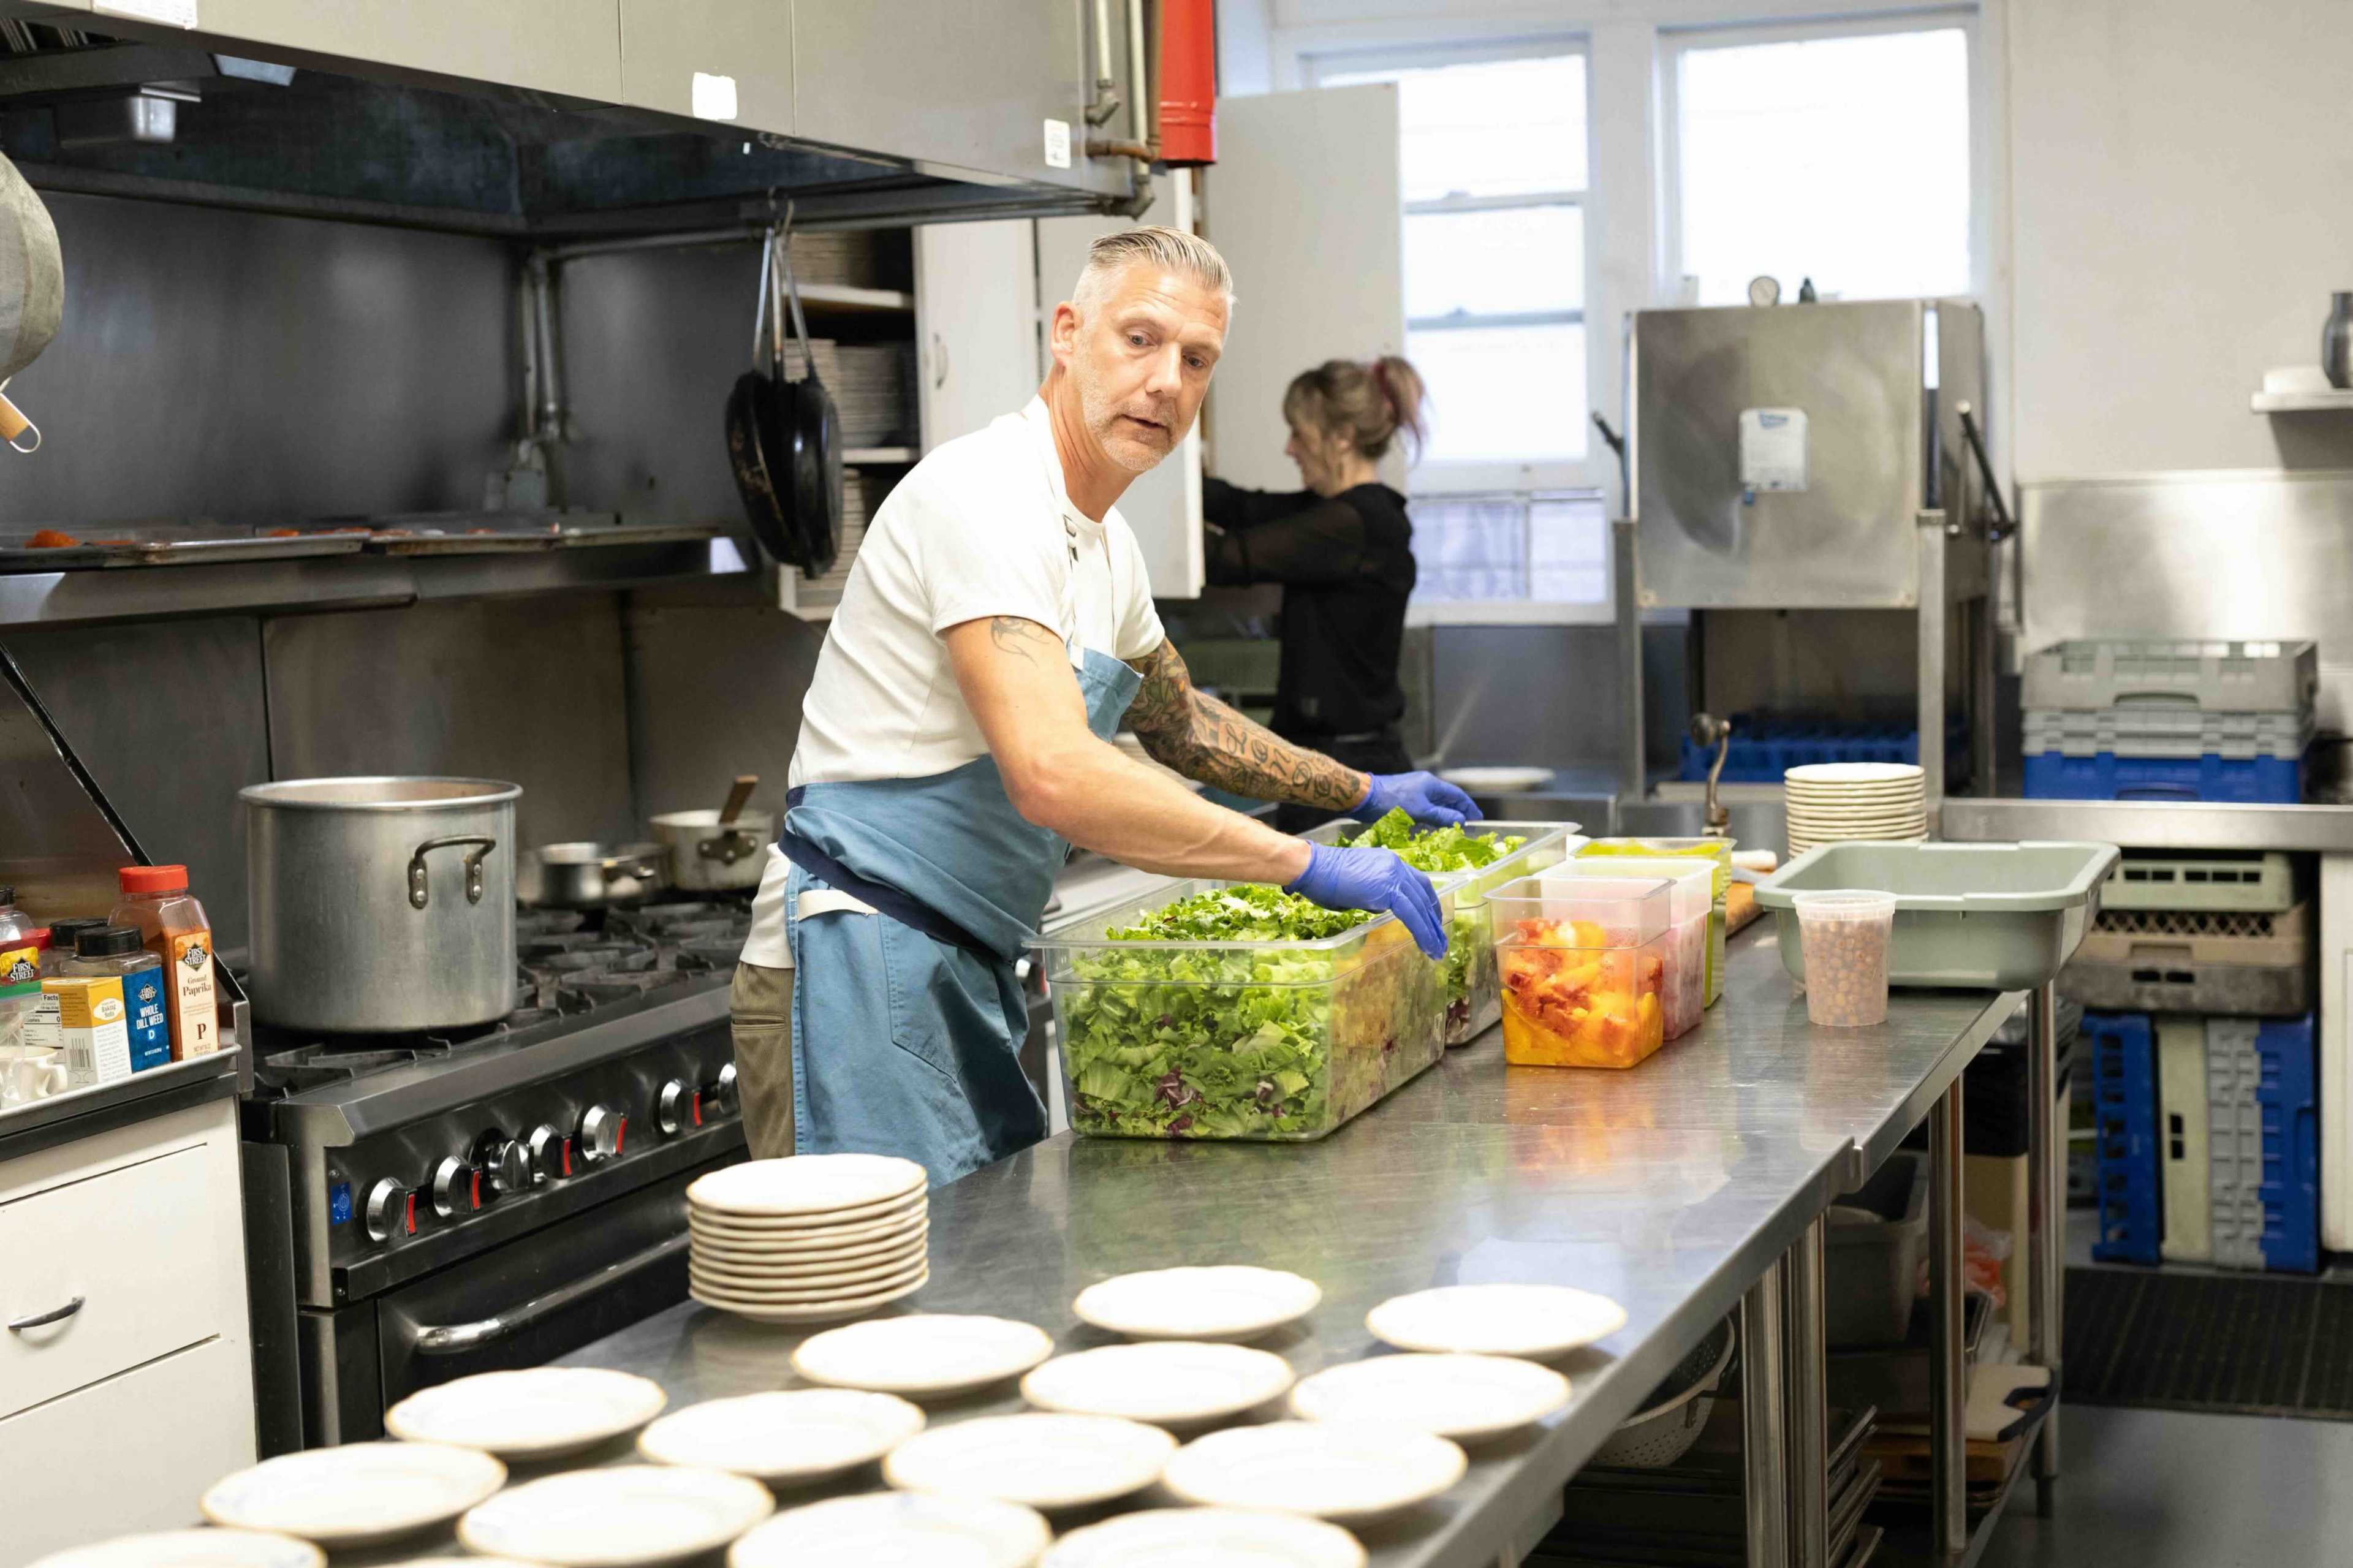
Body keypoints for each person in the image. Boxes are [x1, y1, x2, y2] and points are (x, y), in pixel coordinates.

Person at [729, 228, 1477, 1183]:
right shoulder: (989, 495)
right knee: (878, 1319)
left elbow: (1182, 721)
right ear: (1068, 334)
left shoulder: (1106, 543)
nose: (1167, 379)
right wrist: (1302, 861)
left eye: (1196, 358)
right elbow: (1053, 773)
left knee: (970, 1304)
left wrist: (1362, 787)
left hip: (956, 965)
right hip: (851, 959)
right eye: (1140, 339)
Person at [1201, 356, 1430, 833]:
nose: (1290, 448)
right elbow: (1243, 507)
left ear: (1342, 437)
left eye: (1299, 433)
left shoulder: (1357, 524)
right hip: (1338, 762)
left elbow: (1228, 558)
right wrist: (1161, 467)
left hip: (1346, 768)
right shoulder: (1342, 514)